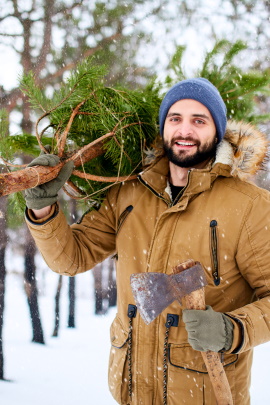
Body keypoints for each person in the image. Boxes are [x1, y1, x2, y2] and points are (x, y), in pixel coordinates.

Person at [24, 78, 270, 405]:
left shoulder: (249, 206)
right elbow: (71, 259)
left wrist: (233, 330)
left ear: (217, 131)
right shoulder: (130, 192)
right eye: (175, 118)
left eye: (199, 120)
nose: (185, 130)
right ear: (163, 126)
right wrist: (42, 209)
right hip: (131, 390)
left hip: (205, 394)